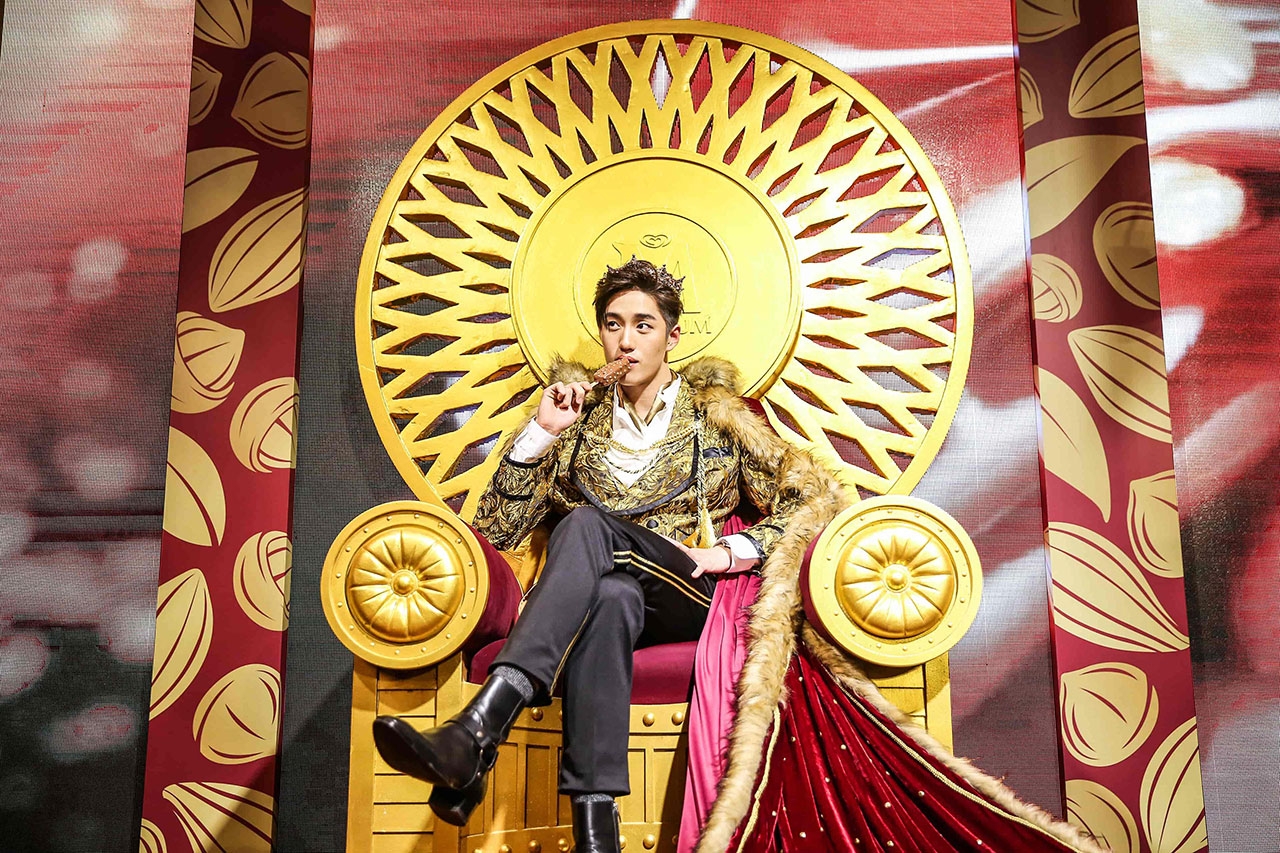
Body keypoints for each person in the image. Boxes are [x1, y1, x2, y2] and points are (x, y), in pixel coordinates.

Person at [373, 259, 1107, 853]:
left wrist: (730, 550)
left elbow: (810, 498)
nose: (625, 341)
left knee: (589, 528)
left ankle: (480, 729)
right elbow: (497, 528)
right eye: (613, 325)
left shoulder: (717, 420)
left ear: (671, 336)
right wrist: (538, 433)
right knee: (609, 596)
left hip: (688, 589)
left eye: (642, 325)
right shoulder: (575, 419)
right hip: (613, 597)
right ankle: (597, 830)